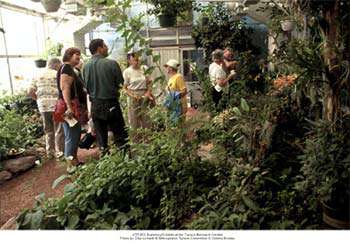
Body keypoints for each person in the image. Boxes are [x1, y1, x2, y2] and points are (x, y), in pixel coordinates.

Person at [83, 39, 128, 152]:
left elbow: (86, 87)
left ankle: (104, 157)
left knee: (101, 138)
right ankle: (125, 161)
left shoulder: (85, 66)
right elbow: (120, 83)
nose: (107, 48)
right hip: (111, 104)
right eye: (105, 46)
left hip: (95, 105)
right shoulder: (111, 63)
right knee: (120, 136)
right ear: (99, 48)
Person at [28, 58, 64, 159]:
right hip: (56, 105)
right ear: (56, 65)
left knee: (48, 130)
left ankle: (50, 153)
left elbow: (30, 91)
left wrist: (38, 99)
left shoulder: (37, 75)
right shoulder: (57, 74)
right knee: (59, 129)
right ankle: (60, 152)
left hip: (43, 106)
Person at [57, 47, 86, 166]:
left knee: (74, 133)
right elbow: (65, 88)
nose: (78, 57)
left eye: (79, 54)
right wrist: (69, 107)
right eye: (76, 54)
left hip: (71, 105)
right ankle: (71, 164)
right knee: (72, 135)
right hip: (70, 106)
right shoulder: (67, 68)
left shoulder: (69, 68)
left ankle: (74, 160)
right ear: (69, 55)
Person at [123, 51, 154, 131]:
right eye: (133, 60)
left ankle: (148, 139)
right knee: (133, 120)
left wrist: (148, 93)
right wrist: (133, 96)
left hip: (144, 94)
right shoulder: (127, 72)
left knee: (146, 118)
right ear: (129, 61)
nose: (136, 62)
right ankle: (135, 140)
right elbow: (124, 88)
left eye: (137, 60)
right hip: (132, 95)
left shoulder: (144, 68)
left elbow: (150, 82)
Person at [164, 59, 187, 124]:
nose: (166, 69)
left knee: (179, 125)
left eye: (167, 67)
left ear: (171, 68)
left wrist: (174, 96)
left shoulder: (178, 77)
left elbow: (184, 91)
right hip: (173, 105)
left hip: (179, 106)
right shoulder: (171, 78)